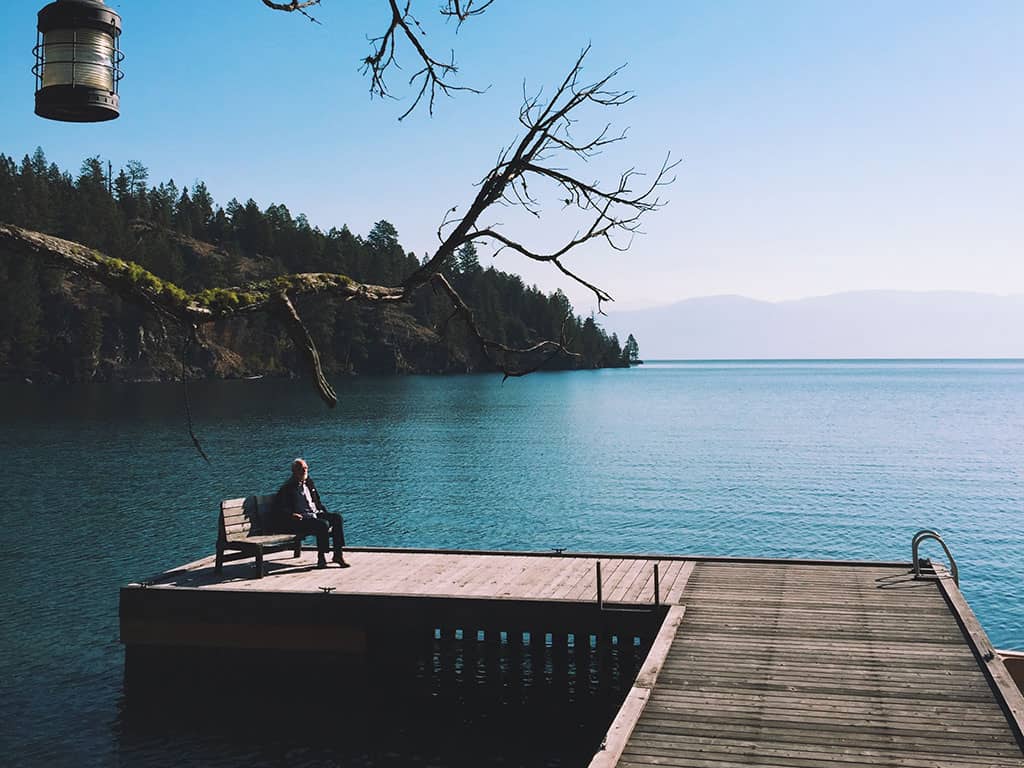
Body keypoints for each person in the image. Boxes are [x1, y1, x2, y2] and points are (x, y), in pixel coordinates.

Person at [274, 458, 349, 568]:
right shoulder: (287, 488)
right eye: (301, 469)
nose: (304, 471)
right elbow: (279, 507)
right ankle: (321, 557)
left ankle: (338, 554)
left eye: (305, 468)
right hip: (300, 519)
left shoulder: (309, 483)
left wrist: (324, 511)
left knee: (337, 518)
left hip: (314, 513)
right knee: (322, 524)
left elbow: (317, 501)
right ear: (294, 471)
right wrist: (291, 515)